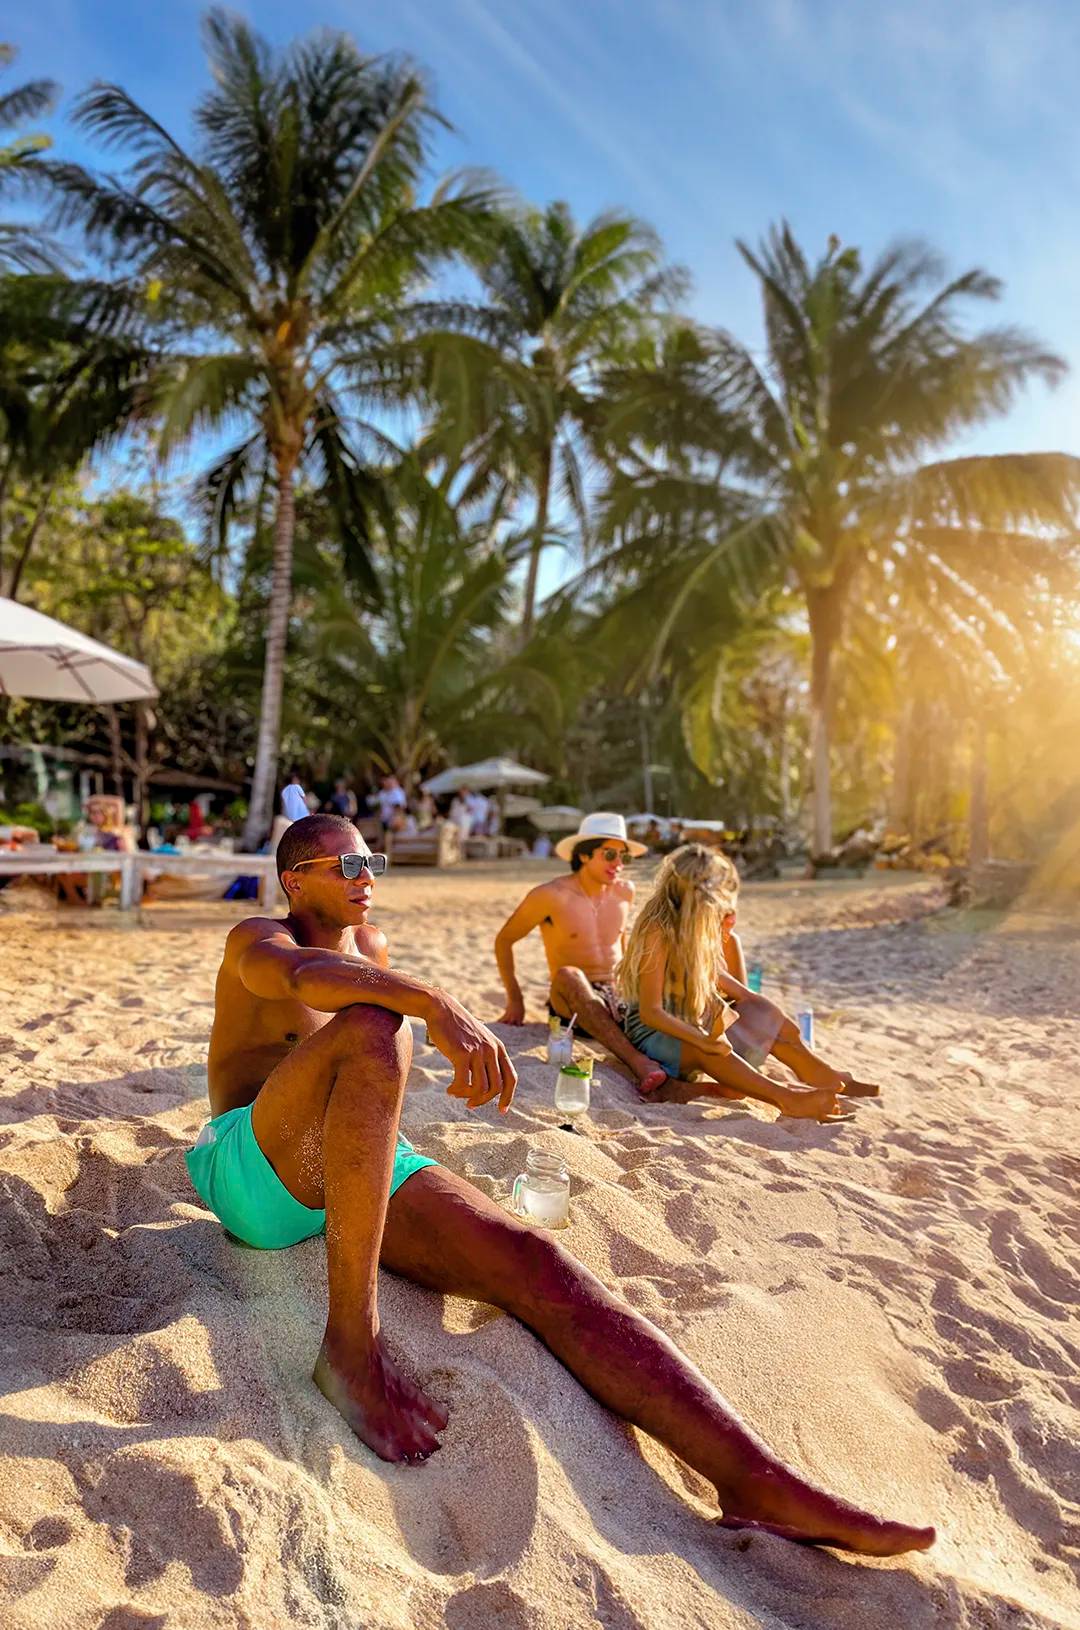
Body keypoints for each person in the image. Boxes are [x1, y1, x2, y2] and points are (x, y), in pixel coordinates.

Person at [183, 812, 933, 1555]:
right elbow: (297, 977)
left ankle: (754, 1482)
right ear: (294, 881)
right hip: (254, 1170)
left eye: (372, 861)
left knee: (536, 1264)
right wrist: (437, 1003)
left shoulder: (374, 947)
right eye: (348, 867)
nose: (368, 877)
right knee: (378, 1028)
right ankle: (351, 1345)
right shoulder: (259, 939)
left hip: (358, 1160)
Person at [618, 844, 879, 1112]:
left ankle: (827, 1078)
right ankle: (786, 1099)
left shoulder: (697, 925)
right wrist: (702, 1039)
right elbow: (651, 1013)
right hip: (655, 1032)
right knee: (710, 1049)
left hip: (691, 1020)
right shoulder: (657, 928)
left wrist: (776, 1019)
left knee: (767, 1018)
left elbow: (732, 988)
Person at [495, 812, 691, 1095]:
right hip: (571, 1000)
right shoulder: (551, 895)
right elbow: (504, 940)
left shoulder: (625, 892)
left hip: (617, 993)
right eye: (610, 855)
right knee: (568, 974)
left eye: (624, 857)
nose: (619, 865)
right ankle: (637, 1062)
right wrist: (515, 1000)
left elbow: (623, 946)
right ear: (585, 855)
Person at [370, 773, 407, 843]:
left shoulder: (397, 792)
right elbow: (379, 807)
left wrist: (394, 820)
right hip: (384, 821)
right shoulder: (382, 793)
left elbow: (399, 809)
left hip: (394, 821)